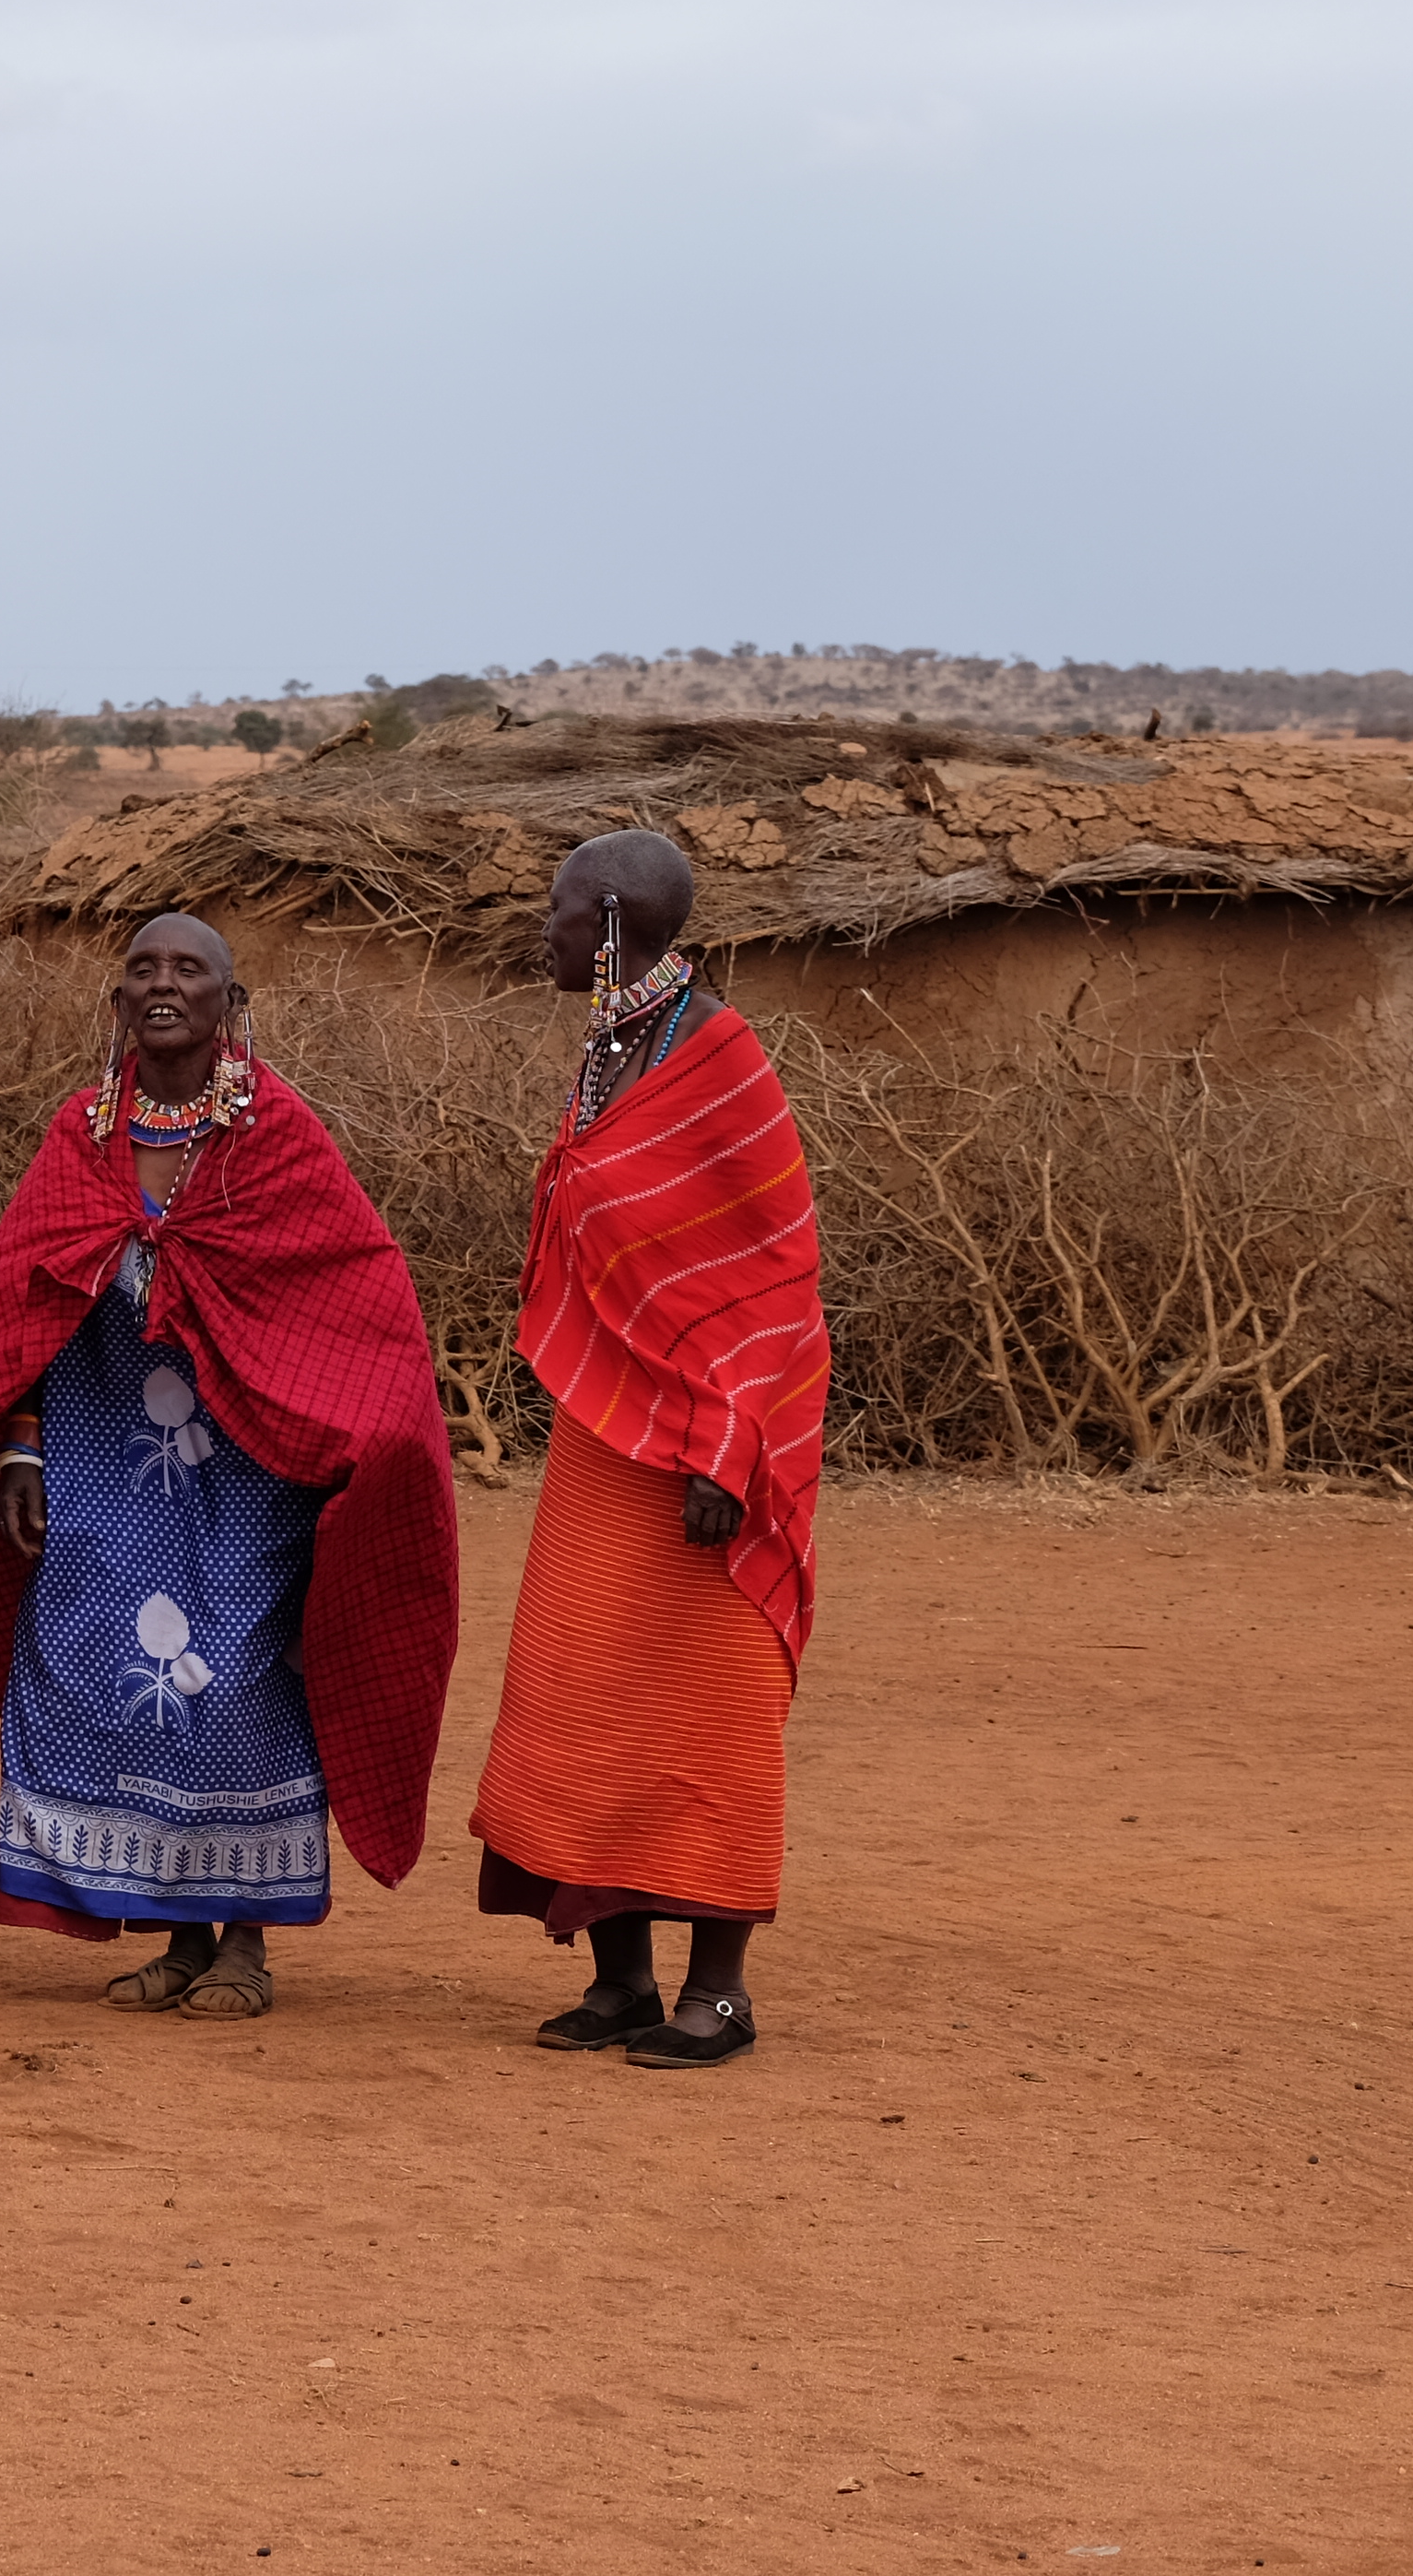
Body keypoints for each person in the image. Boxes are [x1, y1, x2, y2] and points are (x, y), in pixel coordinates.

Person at [0, 913, 461, 2020]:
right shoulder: (81, 1136)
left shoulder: (278, 1137)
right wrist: (20, 1446)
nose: (163, 985)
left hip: (252, 1468)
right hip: (101, 1457)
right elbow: (22, 1306)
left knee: (240, 1678)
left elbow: (355, 1289)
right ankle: (178, 1934)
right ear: (119, 1002)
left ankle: (246, 1943)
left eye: (188, 970)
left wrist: (355, 1441)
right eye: (143, 969)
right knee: (104, 1667)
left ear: (229, 1003)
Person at [467, 830, 826, 2070]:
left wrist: (727, 1444)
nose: (544, 929)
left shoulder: (722, 1061)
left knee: (710, 1705)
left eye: (560, 910)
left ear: (613, 920)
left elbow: (773, 1272)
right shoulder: (614, 1049)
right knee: (582, 1687)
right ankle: (618, 1978)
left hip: (711, 1446)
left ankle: (717, 1992)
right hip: (607, 1428)